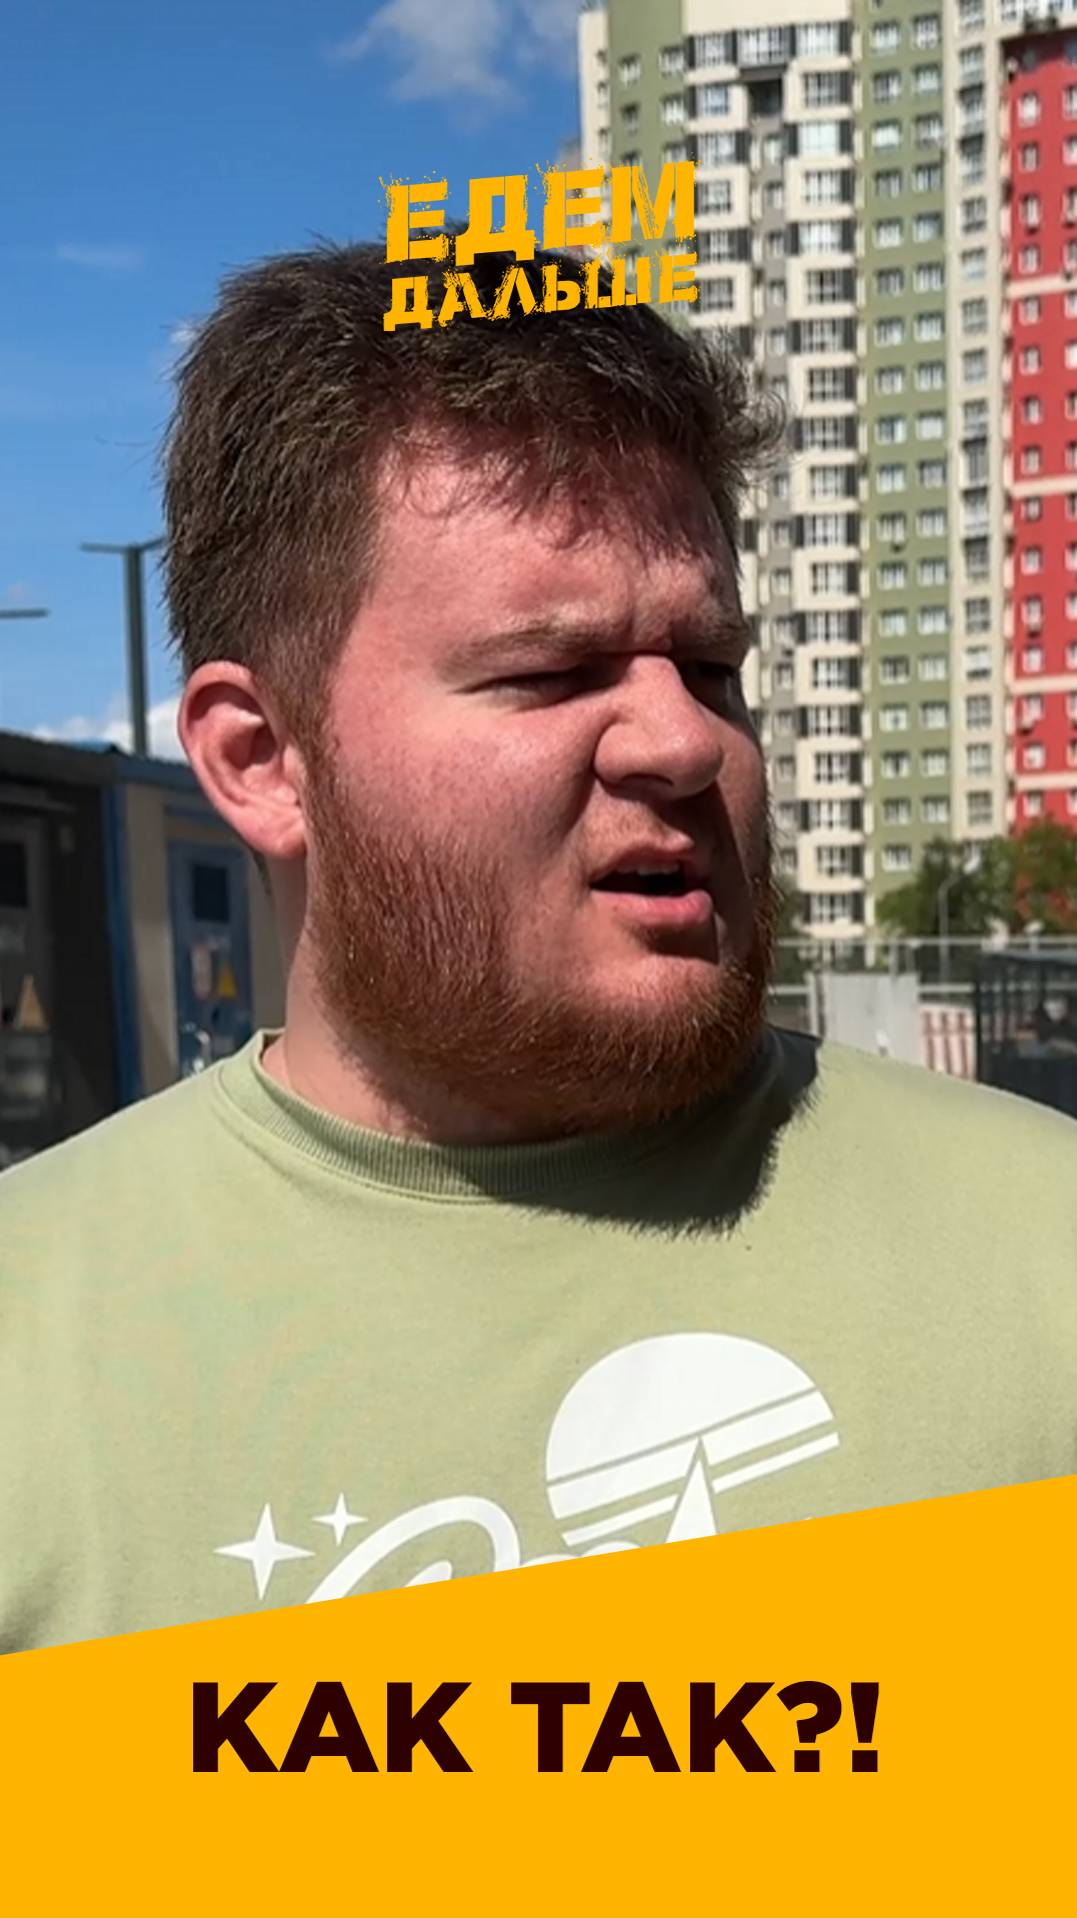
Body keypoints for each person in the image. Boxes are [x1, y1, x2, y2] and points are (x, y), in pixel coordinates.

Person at [1, 243, 1074, 1654]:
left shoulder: (1044, 1248)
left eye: (712, 667)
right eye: (549, 671)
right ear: (262, 761)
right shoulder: (33, 1337)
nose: (683, 740)